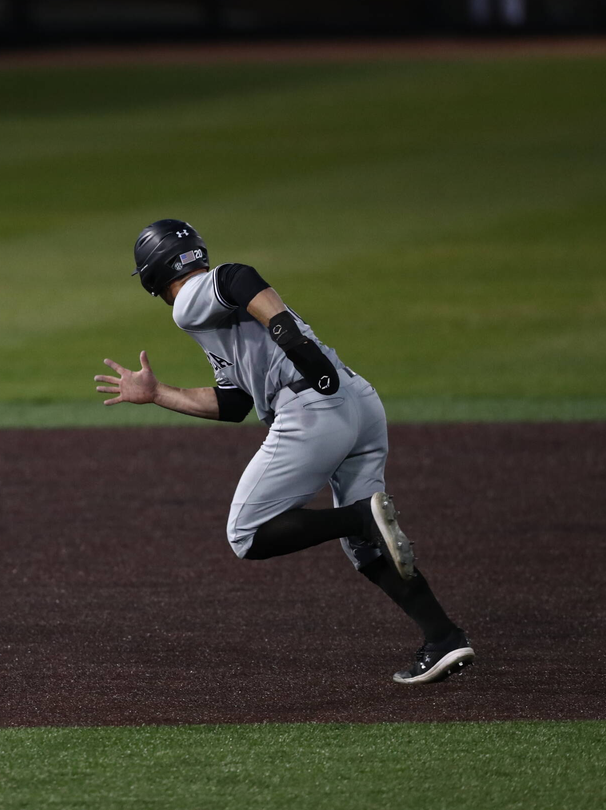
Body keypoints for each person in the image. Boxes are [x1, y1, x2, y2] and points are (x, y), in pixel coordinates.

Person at [94, 219, 474, 684]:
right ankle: (444, 638)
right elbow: (234, 402)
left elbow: (237, 276)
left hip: (313, 408)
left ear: (152, 277)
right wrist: (158, 394)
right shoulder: (216, 321)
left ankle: (360, 517)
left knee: (246, 533)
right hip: (356, 402)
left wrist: (286, 330)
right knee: (368, 548)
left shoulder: (190, 302)